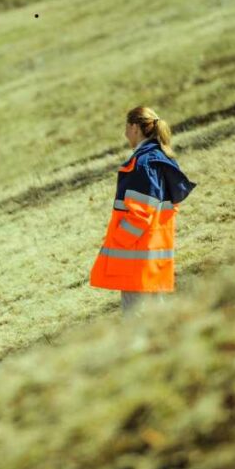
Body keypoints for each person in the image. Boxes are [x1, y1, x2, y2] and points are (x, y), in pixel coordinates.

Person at [90, 106, 196, 316]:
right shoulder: (160, 158)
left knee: (135, 319)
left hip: (135, 255)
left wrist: (118, 240)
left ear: (135, 128)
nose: (125, 134)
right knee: (159, 315)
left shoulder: (143, 163)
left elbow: (141, 214)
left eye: (126, 127)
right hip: (154, 251)